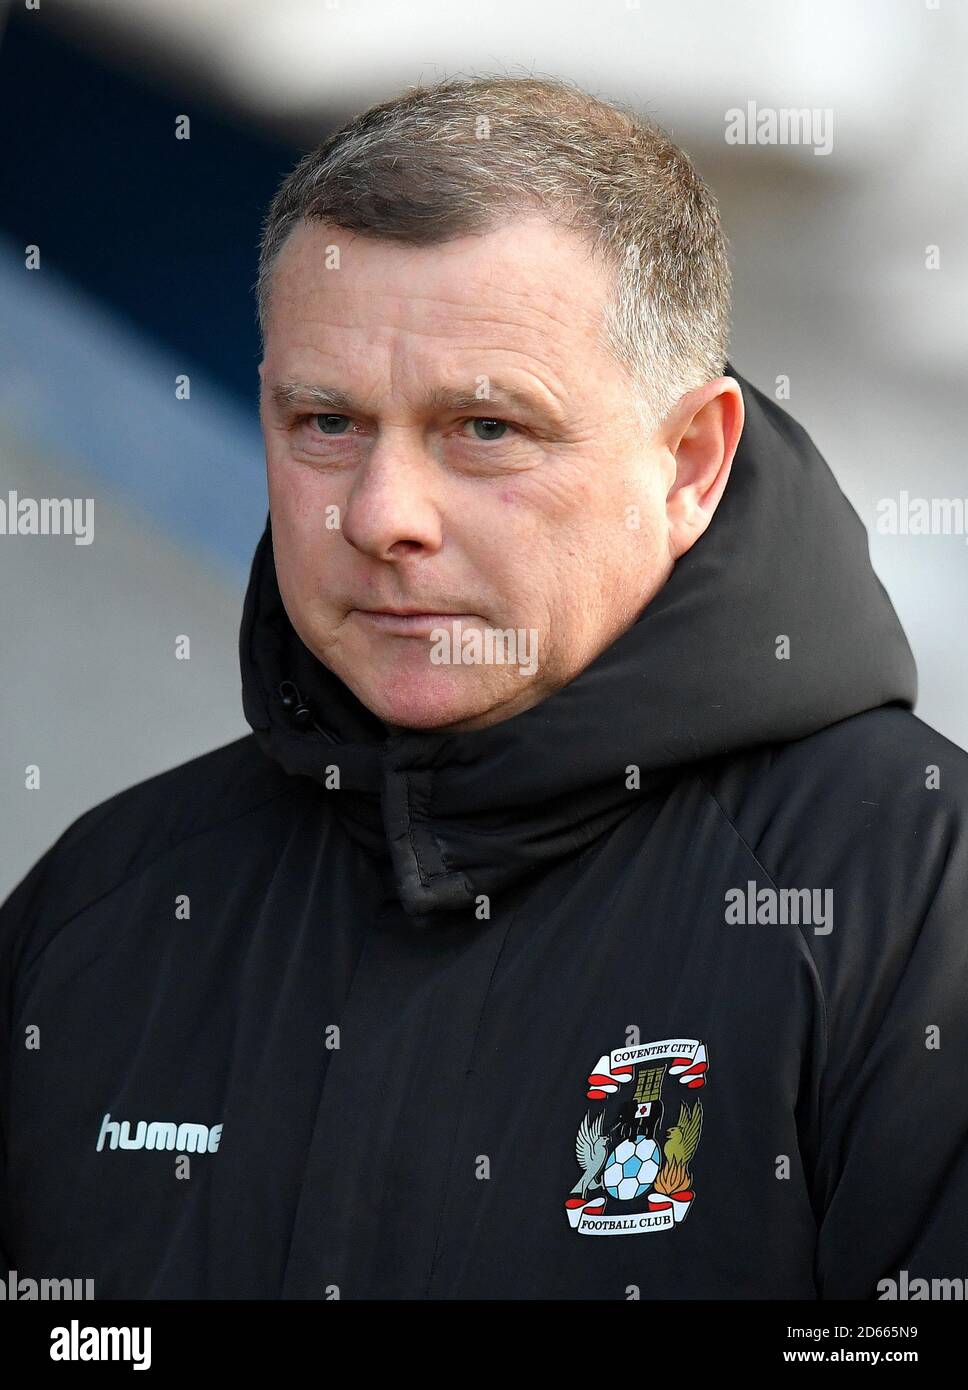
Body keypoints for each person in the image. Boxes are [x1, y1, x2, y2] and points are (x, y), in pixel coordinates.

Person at [1, 74, 966, 1301]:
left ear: (688, 462)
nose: (383, 515)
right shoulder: (101, 908)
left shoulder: (918, 904)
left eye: (485, 429)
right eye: (326, 422)